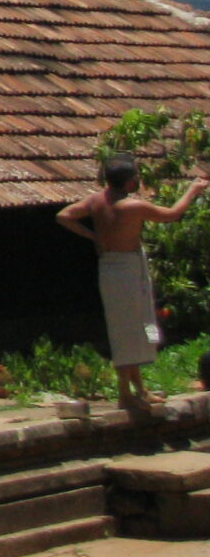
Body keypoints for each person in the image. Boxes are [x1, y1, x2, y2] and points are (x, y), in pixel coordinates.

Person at [58, 155, 207, 415]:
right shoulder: (132, 206)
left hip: (115, 267)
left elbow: (65, 216)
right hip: (124, 271)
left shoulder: (96, 200)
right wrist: (192, 190)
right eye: (136, 177)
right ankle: (125, 394)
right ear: (129, 182)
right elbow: (172, 214)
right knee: (126, 332)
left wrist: (94, 236)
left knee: (138, 327)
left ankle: (140, 390)